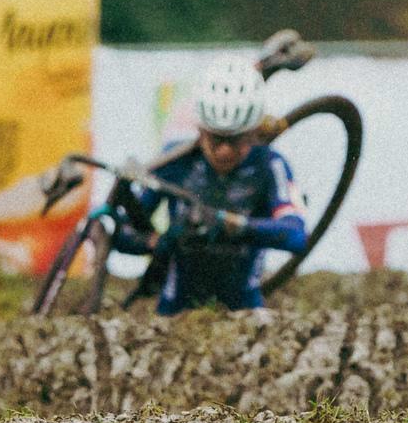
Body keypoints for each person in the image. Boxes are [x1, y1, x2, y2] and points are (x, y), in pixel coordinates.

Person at [110, 57, 307, 315]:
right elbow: (120, 234)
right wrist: (159, 241)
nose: (224, 151)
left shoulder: (270, 165)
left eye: (236, 140)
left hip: (245, 309)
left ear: (253, 131)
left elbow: (296, 234)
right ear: (200, 128)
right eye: (215, 138)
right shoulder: (175, 160)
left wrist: (227, 224)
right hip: (173, 311)